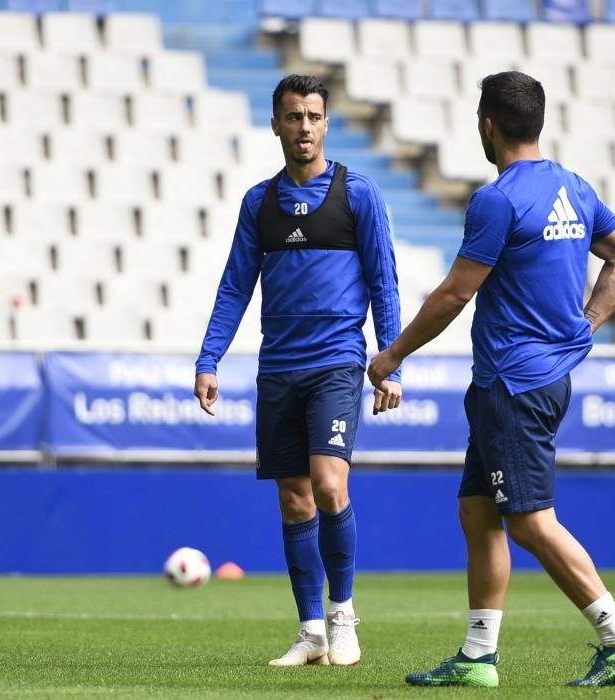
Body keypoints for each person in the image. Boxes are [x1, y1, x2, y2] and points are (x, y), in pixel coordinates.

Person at [367, 71, 615, 688]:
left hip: (513, 384)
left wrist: (391, 357)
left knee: (528, 519)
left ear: (488, 124)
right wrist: (588, 322)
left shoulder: (498, 199)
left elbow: (453, 295)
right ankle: (477, 657)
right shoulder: (574, 189)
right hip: (533, 378)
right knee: (478, 510)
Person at [194, 74, 402, 667]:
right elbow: (235, 285)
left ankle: (342, 616)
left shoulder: (357, 195)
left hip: (337, 360)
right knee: (293, 500)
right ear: (277, 125)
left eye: (313, 116)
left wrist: (388, 359)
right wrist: (209, 358)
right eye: (293, 117)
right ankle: (310, 632)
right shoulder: (258, 203)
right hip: (278, 366)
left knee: (329, 483)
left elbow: (385, 281)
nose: (303, 127)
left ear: (326, 124)